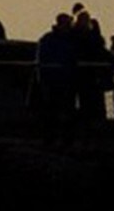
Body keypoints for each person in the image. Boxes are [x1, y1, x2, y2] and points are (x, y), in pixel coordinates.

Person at [35, 13, 77, 146]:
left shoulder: (49, 39)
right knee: (54, 112)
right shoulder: (55, 40)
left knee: (61, 112)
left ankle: (60, 139)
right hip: (56, 80)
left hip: (63, 80)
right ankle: (53, 139)